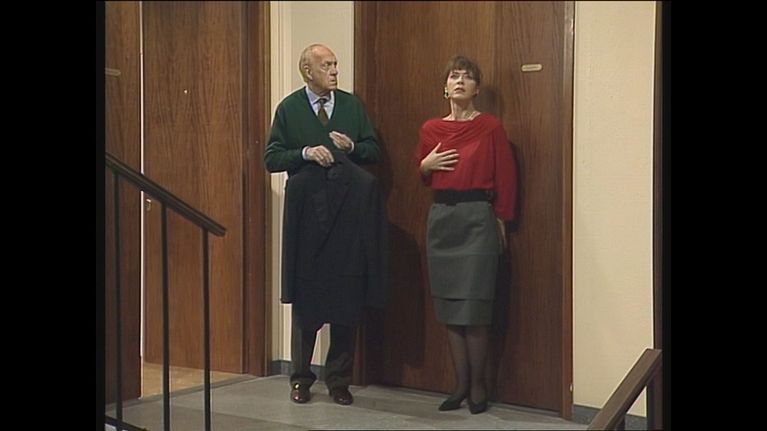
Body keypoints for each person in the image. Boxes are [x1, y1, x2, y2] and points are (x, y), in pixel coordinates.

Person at [265, 43, 385, 407]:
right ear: (307, 71)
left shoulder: (351, 106)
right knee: (307, 301)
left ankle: (339, 380)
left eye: (335, 64)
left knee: (346, 299)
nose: (334, 71)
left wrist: (352, 148)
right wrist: (303, 153)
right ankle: (301, 378)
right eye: (327, 65)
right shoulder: (289, 109)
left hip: (348, 217)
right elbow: (272, 158)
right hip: (308, 219)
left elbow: (373, 150)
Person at [417, 55, 518, 414]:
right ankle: (459, 384)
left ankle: (478, 386)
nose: (459, 81)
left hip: (477, 218)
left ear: (477, 88)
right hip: (442, 220)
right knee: (449, 308)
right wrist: (424, 166)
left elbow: (506, 177)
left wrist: (502, 221)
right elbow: (424, 173)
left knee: (474, 309)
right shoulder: (431, 129)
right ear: (445, 86)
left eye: (467, 77)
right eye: (454, 76)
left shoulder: (490, 127)